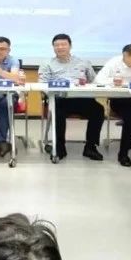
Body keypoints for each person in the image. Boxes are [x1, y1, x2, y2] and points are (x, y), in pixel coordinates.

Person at [37, 33, 103, 163]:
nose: (60, 47)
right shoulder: (47, 64)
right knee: (57, 113)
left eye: (63, 44)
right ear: (53, 47)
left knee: (98, 110)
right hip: (60, 99)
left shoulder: (83, 62)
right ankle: (59, 147)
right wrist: (53, 92)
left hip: (81, 98)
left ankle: (90, 147)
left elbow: (94, 81)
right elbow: (42, 84)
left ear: (70, 46)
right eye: (57, 45)